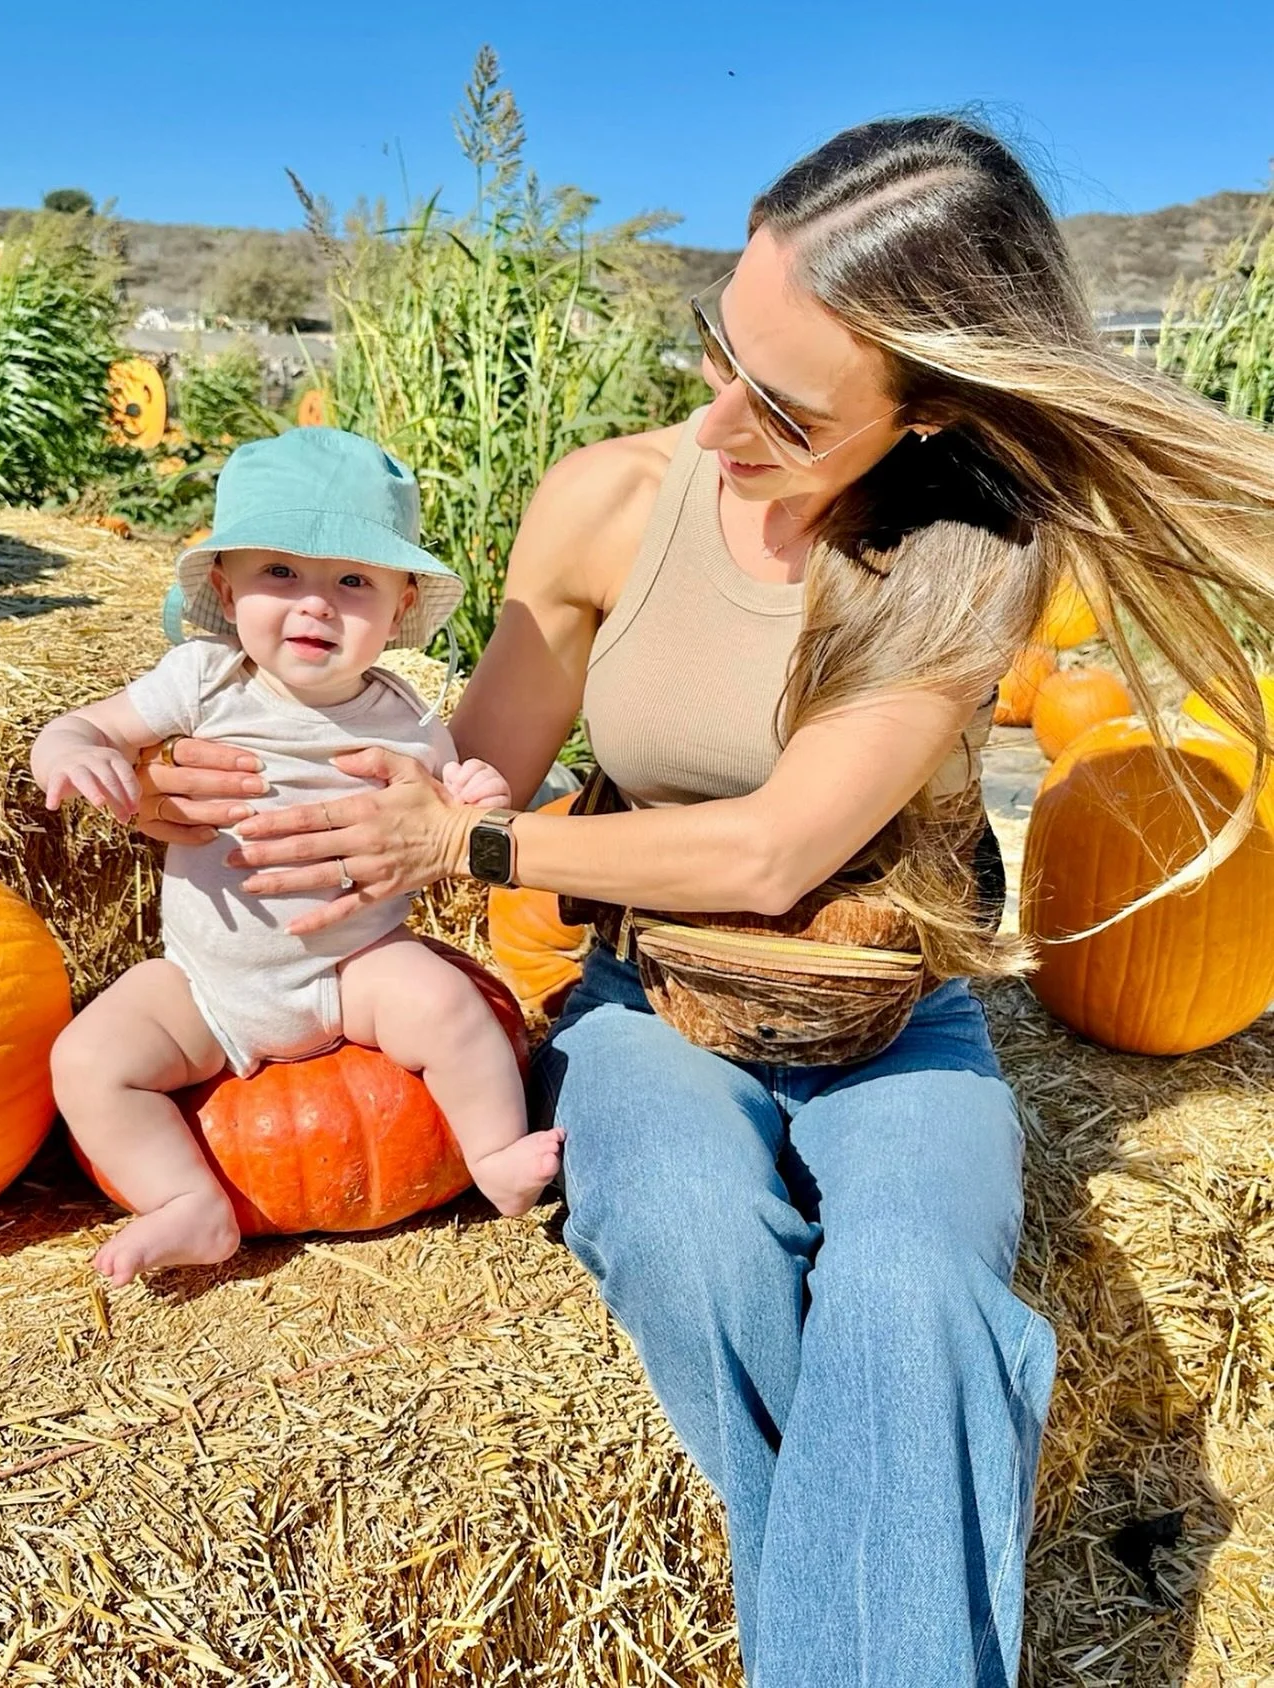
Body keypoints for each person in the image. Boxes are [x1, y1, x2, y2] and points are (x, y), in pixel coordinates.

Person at [130, 118, 1274, 1686]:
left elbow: (771, 851)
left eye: (789, 410)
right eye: (720, 346)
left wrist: (476, 854)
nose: (721, 420)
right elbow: (467, 768)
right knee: (687, 1236)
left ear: (925, 407)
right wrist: (215, 771)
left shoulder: (971, 551)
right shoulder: (606, 500)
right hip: (644, 992)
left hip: (894, 1014)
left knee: (917, 1289)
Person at [33, 428, 563, 1288]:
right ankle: (185, 1204)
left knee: (449, 1008)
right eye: (279, 572)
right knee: (87, 1060)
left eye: (354, 582)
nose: (315, 603)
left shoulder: (408, 715)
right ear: (224, 585)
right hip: (206, 985)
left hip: (352, 967)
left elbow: (449, 807)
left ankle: (496, 1153)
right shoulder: (202, 679)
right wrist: (73, 753)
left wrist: (473, 795)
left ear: (398, 610)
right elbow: (83, 726)